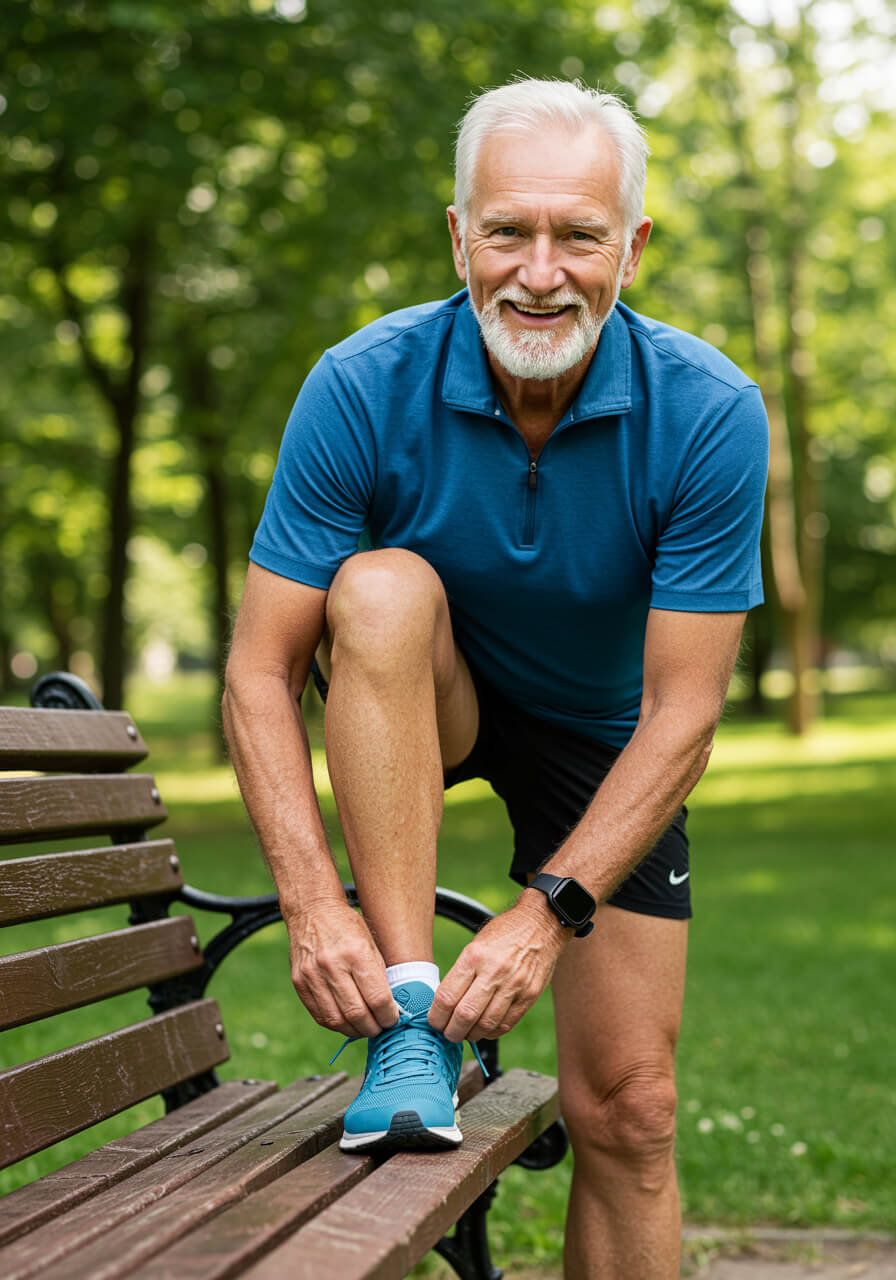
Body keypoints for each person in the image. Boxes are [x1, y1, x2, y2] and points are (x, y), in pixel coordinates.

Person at [222, 77, 769, 1280]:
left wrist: (544, 914)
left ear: (629, 245)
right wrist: (317, 907)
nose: (539, 270)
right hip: (423, 688)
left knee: (629, 1110)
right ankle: (409, 1024)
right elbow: (260, 671)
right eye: (506, 230)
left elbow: (683, 710)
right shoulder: (362, 383)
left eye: (577, 234)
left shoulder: (709, 409)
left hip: (602, 740)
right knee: (375, 585)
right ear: (456, 236)